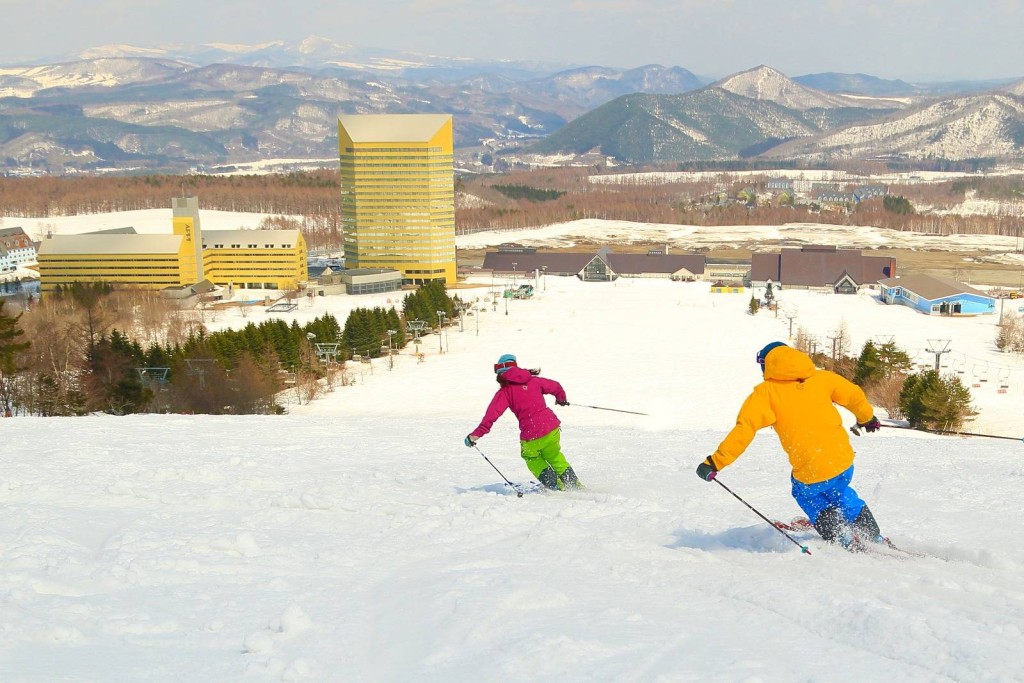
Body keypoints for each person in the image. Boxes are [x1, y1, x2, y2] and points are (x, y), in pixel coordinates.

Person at [696, 341, 885, 551]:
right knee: (840, 491)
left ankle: (841, 536)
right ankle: (871, 534)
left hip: (810, 467)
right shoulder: (822, 378)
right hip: (842, 459)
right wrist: (867, 418)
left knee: (805, 493)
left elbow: (744, 429)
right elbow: (854, 395)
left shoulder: (765, 394)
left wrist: (714, 462)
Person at [465, 354, 582, 490]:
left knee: (531, 457)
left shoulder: (505, 392)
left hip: (532, 434)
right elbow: (555, 386)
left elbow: (490, 417)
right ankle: (575, 485)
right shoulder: (534, 381)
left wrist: (475, 435)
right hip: (552, 427)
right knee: (554, 455)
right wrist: (561, 399)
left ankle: (557, 486)